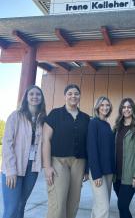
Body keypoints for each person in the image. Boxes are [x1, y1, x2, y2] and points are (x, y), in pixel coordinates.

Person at [42, 84, 90, 218]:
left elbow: (88, 144)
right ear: (65, 96)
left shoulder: (86, 118)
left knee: (73, 202)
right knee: (57, 202)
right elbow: (46, 140)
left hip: (79, 163)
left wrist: (87, 168)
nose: (73, 96)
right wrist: (47, 167)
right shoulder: (55, 114)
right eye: (70, 93)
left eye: (76, 93)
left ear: (80, 96)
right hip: (58, 161)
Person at [1, 85, 46, 218]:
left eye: (38, 94)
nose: (34, 97)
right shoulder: (16, 116)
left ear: (42, 98)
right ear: (26, 97)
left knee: (21, 204)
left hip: (32, 168)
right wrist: (10, 170)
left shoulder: (42, 119)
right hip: (14, 167)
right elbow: (7, 144)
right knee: (12, 208)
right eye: (31, 94)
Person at [113, 97, 135, 218]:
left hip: (130, 176)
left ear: (133, 109)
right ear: (121, 110)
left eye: (129, 107)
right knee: (123, 206)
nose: (126, 109)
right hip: (116, 175)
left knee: (122, 206)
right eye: (124, 107)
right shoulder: (117, 126)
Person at [87, 96, 115, 218]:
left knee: (101, 205)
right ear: (97, 107)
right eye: (102, 105)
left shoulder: (107, 125)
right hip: (98, 172)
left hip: (108, 171)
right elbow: (91, 148)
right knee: (103, 207)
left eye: (107, 105)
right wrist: (96, 174)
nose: (105, 107)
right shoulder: (93, 123)